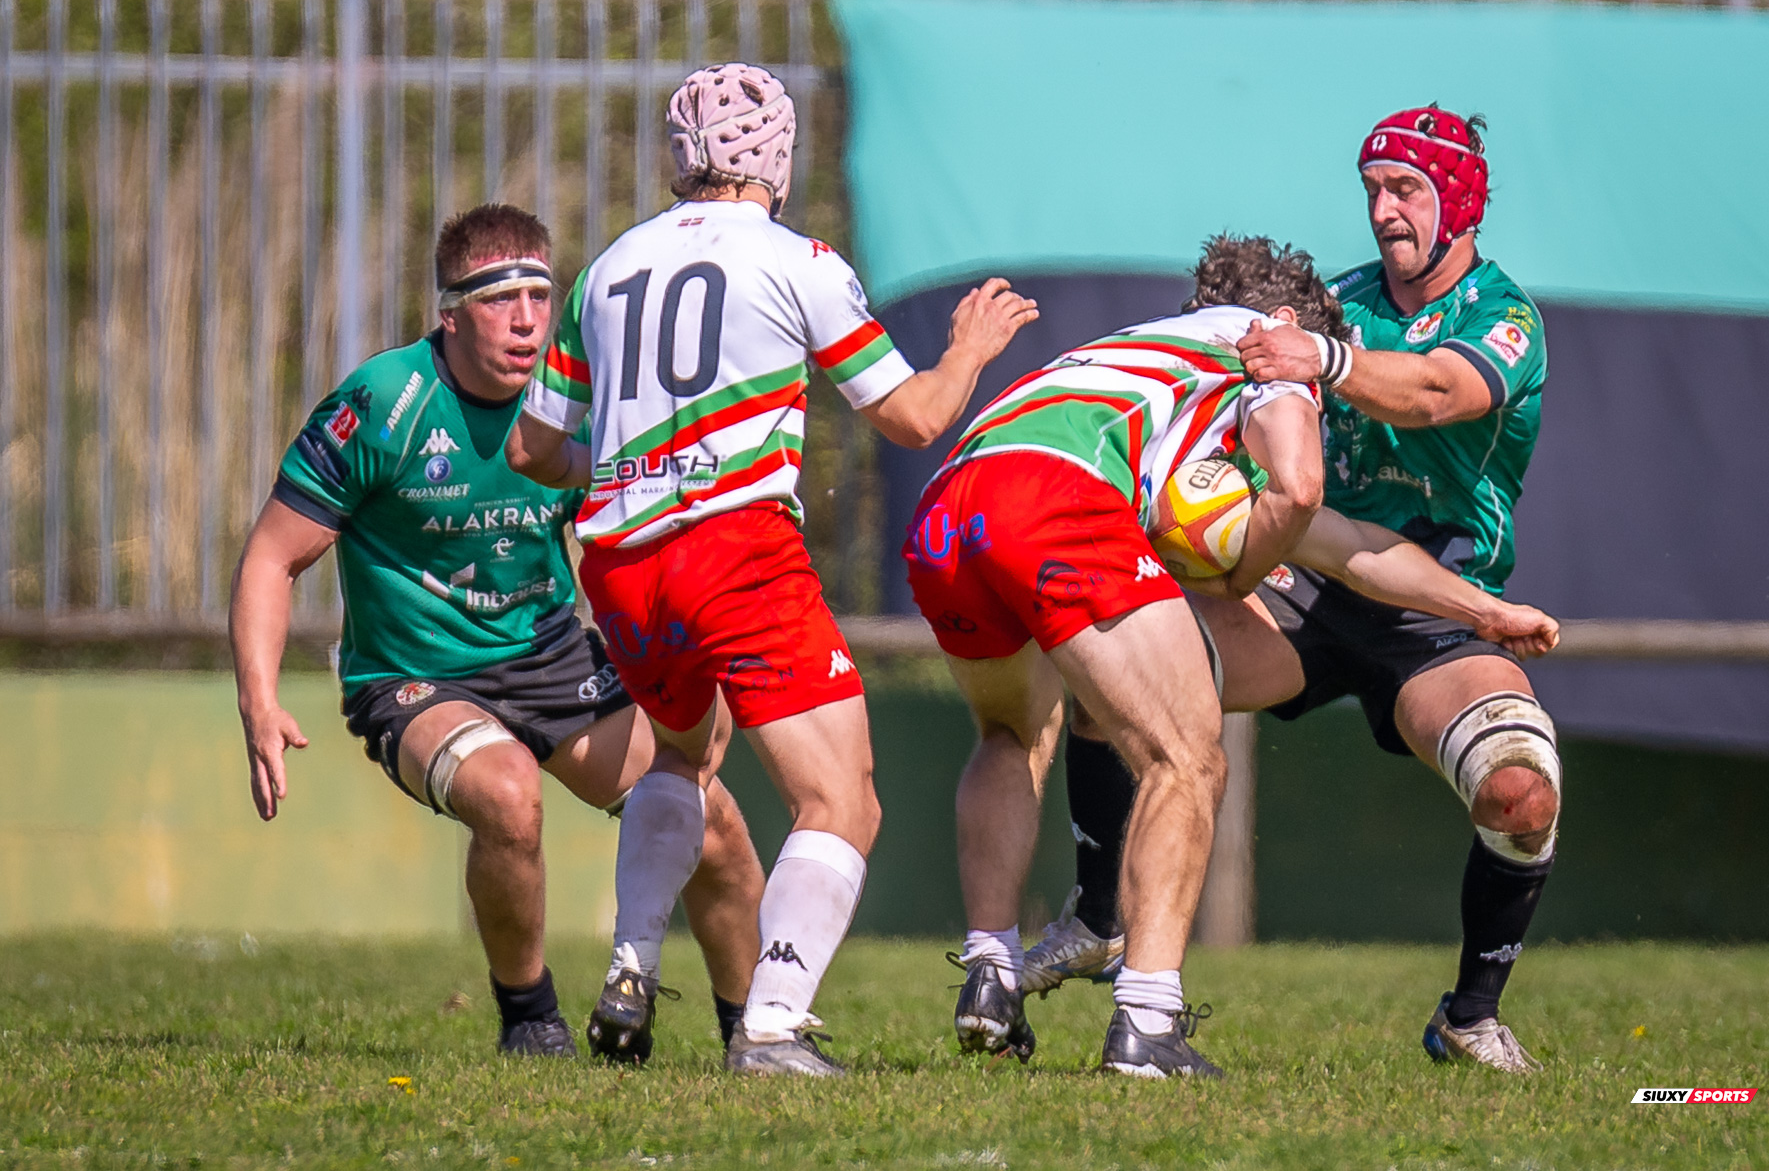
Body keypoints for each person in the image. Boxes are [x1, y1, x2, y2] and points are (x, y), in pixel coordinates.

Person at [507, 63, 1037, 1077]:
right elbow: (914, 415)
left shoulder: (606, 270)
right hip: (734, 548)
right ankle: (774, 1022)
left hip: (618, 558)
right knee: (844, 800)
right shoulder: (799, 260)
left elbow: (535, 450)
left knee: (681, 758)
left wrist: (630, 460)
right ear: (776, 155)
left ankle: (631, 964)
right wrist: (969, 349)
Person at [1029, 107, 1563, 1075]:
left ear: (1461, 199)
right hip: (1305, 577)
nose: (1384, 211)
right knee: (1112, 660)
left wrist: (1328, 359)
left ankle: (1469, 1016)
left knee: (1521, 789)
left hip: (1435, 603)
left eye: (1406, 190)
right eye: (1373, 191)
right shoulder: (1338, 298)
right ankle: (1100, 911)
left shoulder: (1506, 316)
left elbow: (1440, 390)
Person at [231, 203, 764, 1061]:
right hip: (414, 677)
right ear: (449, 312)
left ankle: (756, 1032)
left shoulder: (578, 408)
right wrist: (259, 704)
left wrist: (685, 665)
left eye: (539, 296)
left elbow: (644, 546)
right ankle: (531, 1020)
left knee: (713, 824)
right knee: (510, 795)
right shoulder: (384, 402)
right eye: (496, 298)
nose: (524, 320)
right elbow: (269, 559)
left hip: (549, 655)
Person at [905, 237, 1357, 1078]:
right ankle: (1147, 1021)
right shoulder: (1269, 346)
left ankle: (989, 973)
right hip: (1056, 498)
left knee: (1009, 734)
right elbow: (1297, 486)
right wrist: (1252, 561)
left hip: (953, 502)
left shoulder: (1133, 346)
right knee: (1186, 759)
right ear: (1288, 318)